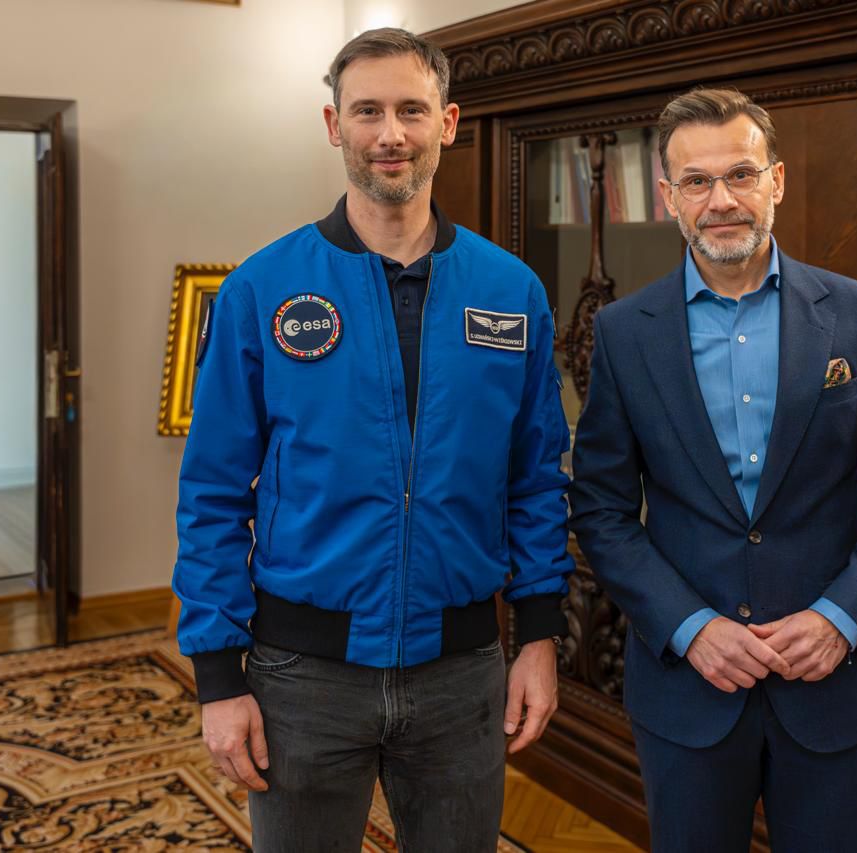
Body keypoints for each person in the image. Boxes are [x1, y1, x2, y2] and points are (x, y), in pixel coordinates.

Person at [172, 28, 573, 853]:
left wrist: (537, 635)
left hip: (462, 674)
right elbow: (211, 491)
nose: (391, 133)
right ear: (334, 126)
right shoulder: (262, 289)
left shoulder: (511, 292)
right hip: (302, 678)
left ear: (447, 123)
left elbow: (535, 478)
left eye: (411, 110)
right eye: (367, 111)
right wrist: (217, 676)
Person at [567, 88, 857, 852]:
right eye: (698, 181)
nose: (721, 201)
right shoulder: (622, 333)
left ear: (776, 180)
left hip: (832, 690)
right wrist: (690, 627)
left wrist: (841, 616)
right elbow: (601, 512)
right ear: (670, 197)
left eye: (740, 174)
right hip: (686, 693)